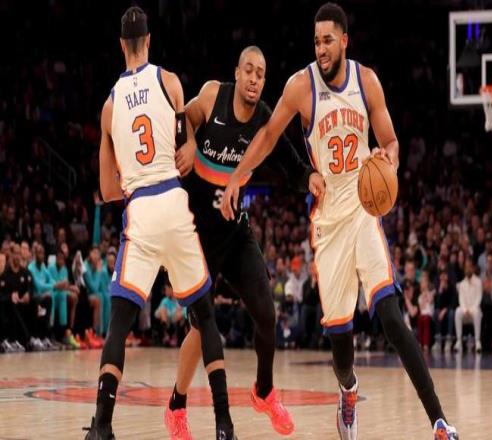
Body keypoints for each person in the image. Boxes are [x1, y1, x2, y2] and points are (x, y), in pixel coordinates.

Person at [221, 3, 458, 439]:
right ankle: (348, 390)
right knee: (341, 347)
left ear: (345, 40)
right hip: (328, 225)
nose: (321, 48)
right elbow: (269, 135)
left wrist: (388, 158)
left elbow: (391, 141)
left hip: (364, 213)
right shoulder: (301, 86)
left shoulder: (367, 82)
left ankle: (440, 422)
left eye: (328, 40)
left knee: (392, 317)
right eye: (316, 41)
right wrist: (237, 176)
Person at [83, 7, 236, 440]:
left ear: (121, 45)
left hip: (140, 208)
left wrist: (132, 175)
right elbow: (186, 153)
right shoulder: (170, 82)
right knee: (204, 316)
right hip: (173, 198)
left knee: (119, 324)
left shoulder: (109, 107)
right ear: (148, 40)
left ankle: (102, 426)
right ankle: (224, 424)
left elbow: (107, 190)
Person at [167, 45, 316, 438]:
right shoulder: (213, 95)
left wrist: (313, 180)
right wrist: (189, 141)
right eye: (248, 70)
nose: (253, 78)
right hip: (197, 234)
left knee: (267, 315)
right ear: (237, 72)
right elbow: (182, 119)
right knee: (200, 328)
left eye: (260, 74)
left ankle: (264, 392)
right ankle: (177, 405)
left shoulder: (265, 119)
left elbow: (293, 168)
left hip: (235, 231)